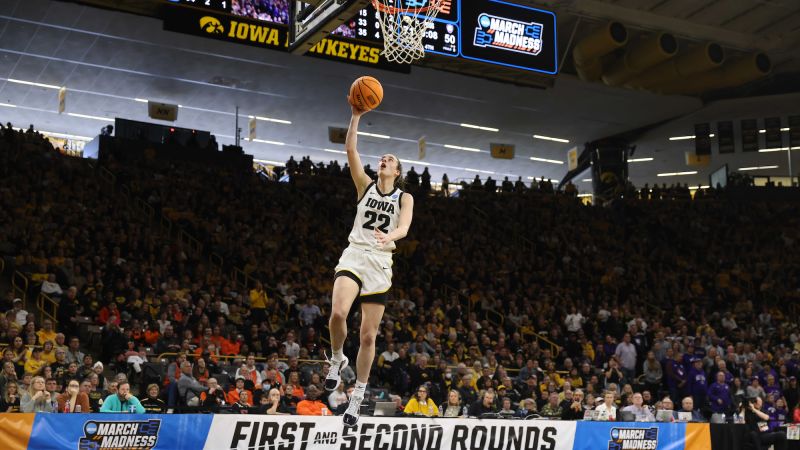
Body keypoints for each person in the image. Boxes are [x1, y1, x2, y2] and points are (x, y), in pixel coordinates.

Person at [325, 100, 414, 427]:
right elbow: (351, 150)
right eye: (383, 158)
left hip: (380, 261)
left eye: (390, 160)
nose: (384, 160)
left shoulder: (404, 197)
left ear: (398, 172)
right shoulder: (364, 186)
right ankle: (336, 359)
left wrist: (391, 237)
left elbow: (405, 226)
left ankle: (359, 394)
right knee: (337, 313)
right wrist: (356, 115)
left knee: (367, 337)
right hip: (355, 253)